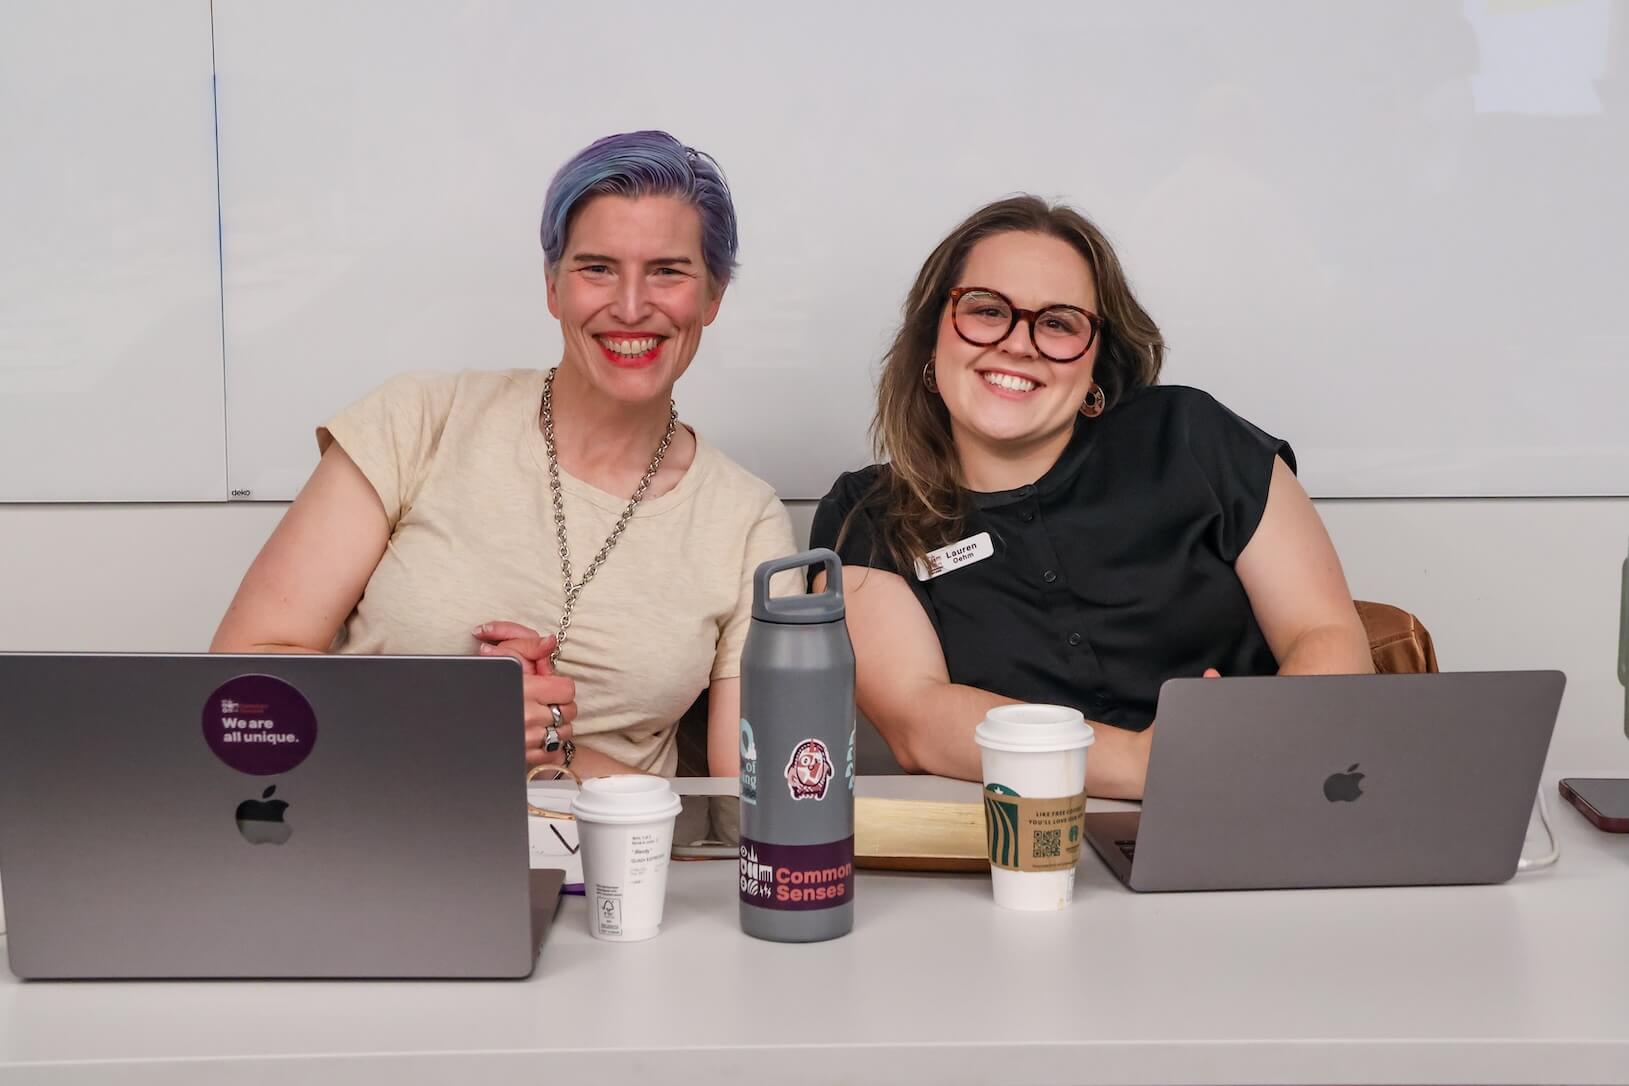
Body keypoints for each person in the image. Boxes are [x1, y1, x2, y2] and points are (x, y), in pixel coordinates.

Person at [212, 130, 798, 778]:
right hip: (365, 843)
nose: (631, 307)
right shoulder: (420, 419)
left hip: (608, 871)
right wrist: (455, 713)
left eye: (667, 271)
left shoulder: (746, 522)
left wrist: (557, 751)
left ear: (712, 296)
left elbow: (753, 803)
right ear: (553, 287)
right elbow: (242, 681)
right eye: (596, 268)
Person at [810, 195, 1373, 799]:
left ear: (1096, 361)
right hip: (1019, 850)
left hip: (1257, 808)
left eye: (1057, 323)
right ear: (931, 336)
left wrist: (1260, 758)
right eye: (986, 310)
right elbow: (917, 720)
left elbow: (1326, 634)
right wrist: (1145, 763)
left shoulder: (1193, 438)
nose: (1018, 345)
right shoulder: (864, 518)